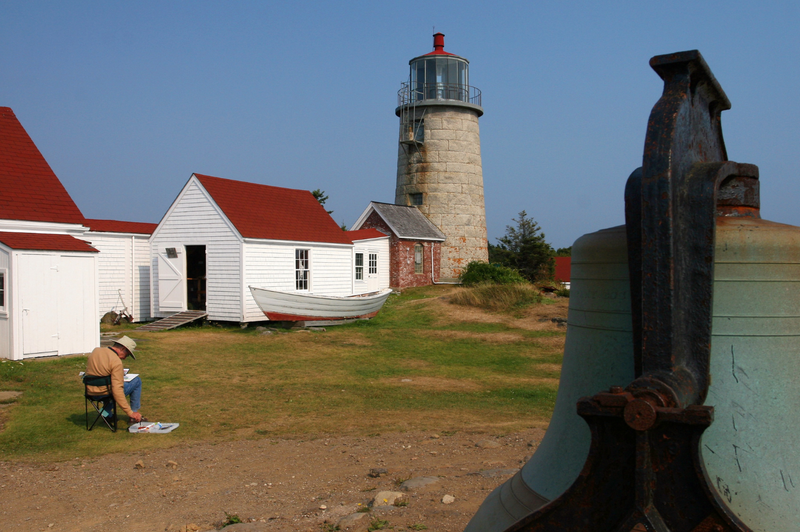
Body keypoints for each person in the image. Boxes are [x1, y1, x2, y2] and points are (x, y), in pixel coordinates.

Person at [85, 336, 145, 424]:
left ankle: (106, 413)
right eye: (127, 355)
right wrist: (129, 412)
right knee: (137, 381)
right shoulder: (116, 361)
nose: (124, 358)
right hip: (105, 392)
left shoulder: (96, 351)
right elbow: (117, 390)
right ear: (123, 348)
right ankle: (134, 415)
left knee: (112, 388)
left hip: (90, 391)